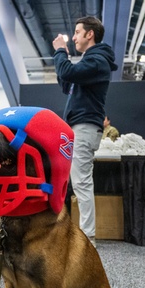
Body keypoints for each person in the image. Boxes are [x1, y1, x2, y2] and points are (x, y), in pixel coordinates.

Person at [51, 16, 117, 245]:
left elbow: (68, 73)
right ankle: (81, 234)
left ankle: (88, 238)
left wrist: (61, 52)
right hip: (78, 127)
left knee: (81, 183)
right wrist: (64, 57)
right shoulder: (90, 62)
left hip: (84, 127)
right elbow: (66, 83)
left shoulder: (98, 60)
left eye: (78, 32)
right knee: (77, 182)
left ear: (90, 34)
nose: (74, 37)